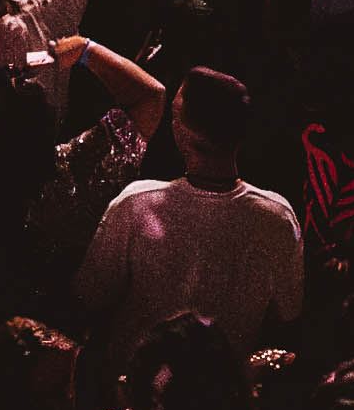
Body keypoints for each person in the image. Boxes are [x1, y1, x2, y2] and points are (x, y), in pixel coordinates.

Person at [75, 68, 305, 359]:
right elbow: (289, 311)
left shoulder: (137, 204)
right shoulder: (278, 217)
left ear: (182, 132)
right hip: (223, 386)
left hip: (135, 383)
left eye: (174, 115)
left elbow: (90, 297)